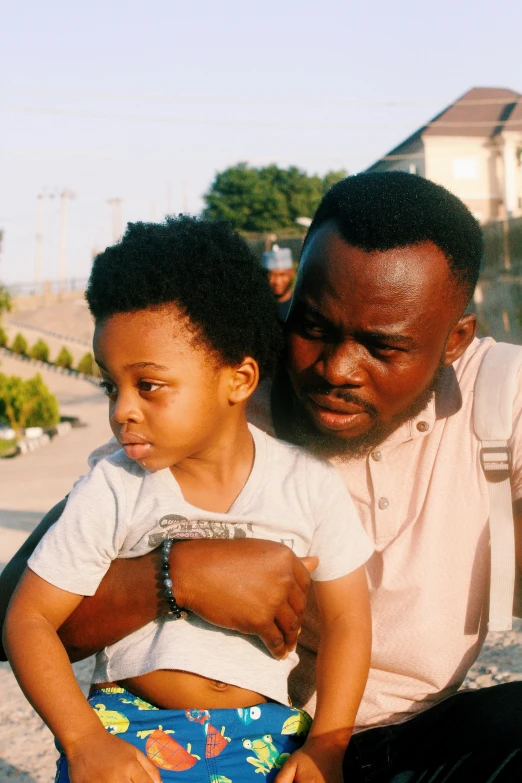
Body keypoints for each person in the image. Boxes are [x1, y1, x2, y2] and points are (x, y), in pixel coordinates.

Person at [3, 171, 522, 781]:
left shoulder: (502, 395)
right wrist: (177, 572)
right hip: (242, 744)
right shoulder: (214, 397)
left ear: (456, 339)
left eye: (382, 348)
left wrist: (329, 746)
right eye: (312, 326)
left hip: (411, 736)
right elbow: (19, 608)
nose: (337, 369)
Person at [3, 217, 373, 783]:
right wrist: (82, 742)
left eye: (148, 385)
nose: (122, 409)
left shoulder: (309, 484)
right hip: (129, 737)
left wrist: (328, 744)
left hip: (267, 743)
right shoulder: (114, 486)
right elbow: (27, 618)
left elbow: (349, 618)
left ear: (239, 379)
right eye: (111, 385)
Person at [263, 246, 295, 323]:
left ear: (291, 272)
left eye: (282, 275)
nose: (277, 281)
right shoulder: (260, 306)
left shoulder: (299, 306)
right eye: (272, 275)